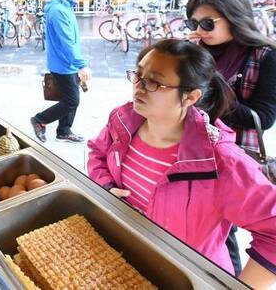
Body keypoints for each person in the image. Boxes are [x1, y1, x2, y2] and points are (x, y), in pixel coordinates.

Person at [87, 39, 276, 288]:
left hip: (186, 278)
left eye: (154, 82)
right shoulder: (123, 121)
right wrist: (107, 186)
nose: (139, 88)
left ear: (190, 97)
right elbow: (97, 153)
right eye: (138, 74)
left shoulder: (221, 163)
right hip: (128, 263)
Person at [185, 0, 276, 275]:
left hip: (233, 157)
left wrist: (211, 92)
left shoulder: (264, 56)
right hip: (192, 150)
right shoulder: (197, 51)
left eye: (208, 23)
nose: (200, 29)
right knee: (201, 225)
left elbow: (264, 116)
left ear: (234, 17)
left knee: (227, 231)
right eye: (194, 22)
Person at [31, 0, 91, 143]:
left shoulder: (65, 5)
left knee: (70, 98)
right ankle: (40, 120)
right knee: (72, 101)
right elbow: (66, 42)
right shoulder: (58, 10)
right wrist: (81, 64)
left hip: (67, 63)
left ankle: (64, 131)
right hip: (63, 64)